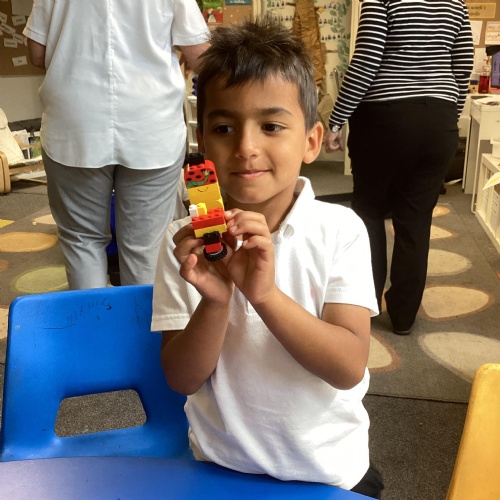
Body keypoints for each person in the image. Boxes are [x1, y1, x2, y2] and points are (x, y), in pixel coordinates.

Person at [152, 17, 384, 498]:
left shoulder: (341, 231)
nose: (246, 147)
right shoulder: (184, 242)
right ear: (202, 143)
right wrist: (216, 300)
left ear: (311, 141)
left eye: (272, 126)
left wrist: (265, 295)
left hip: (328, 472)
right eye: (224, 127)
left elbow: (347, 368)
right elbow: (181, 378)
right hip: (221, 468)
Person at [23, 0, 210, 289]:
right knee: (145, 247)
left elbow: (37, 53)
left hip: (76, 120)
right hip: (150, 123)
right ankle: (142, 319)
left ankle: (94, 317)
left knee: (82, 240)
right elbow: (200, 56)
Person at [324, 0, 474, 335]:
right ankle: (404, 316)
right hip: (439, 119)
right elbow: (464, 62)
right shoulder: (456, 2)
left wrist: (336, 120)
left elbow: (367, 60)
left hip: (384, 118)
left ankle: (364, 302)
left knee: (369, 211)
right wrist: (448, 112)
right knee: (416, 218)